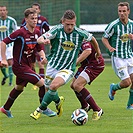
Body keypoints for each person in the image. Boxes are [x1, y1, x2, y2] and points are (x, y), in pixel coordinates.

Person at [30, 9, 102, 120]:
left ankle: (39, 110)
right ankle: (58, 101)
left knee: (54, 86)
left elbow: (92, 38)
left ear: (75, 22)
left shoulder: (79, 33)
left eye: (72, 24)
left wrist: (98, 51)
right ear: (63, 21)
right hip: (53, 65)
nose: (69, 27)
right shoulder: (56, 30)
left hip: (68, 68)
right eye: (67, 24)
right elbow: (40, 38)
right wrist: (42, 41)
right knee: (49, 90)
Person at [0, 8, 56, 118]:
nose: (34, 21)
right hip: (20, 66)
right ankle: (43, 108)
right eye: (32, 19)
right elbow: (3, 42)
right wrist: (4, 59)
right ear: (26, 19)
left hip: (28, 66)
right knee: (43, 83)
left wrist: (43, 57)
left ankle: (5, 108)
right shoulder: (20, 32)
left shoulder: (37, 32)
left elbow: (39, 48)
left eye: (35, 18)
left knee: (19, 88)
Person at [102, 2, 133, 109]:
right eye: (120, 11)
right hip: (118, 57)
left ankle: (130, 104)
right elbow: (104, 38)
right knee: (126, 82)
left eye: (124, 11)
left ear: (128, 11)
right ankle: (114, 87)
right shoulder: (113, 25)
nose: (122, 13)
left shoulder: (132, 24)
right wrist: (109, 47)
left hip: (129, 56)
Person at [70, 40, 104, 120]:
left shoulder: (81, 36)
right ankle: (85, 106)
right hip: (85, 65)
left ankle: (97, 109)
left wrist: (76, 62)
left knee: (77, 85)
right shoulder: (68, 38)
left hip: (95, 65)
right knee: (73, 85)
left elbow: (88, 51)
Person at [21, 3, 50, 89]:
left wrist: (46, 40)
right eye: (33, 9)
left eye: (36, 9)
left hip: (39, 44)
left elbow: (48, 31)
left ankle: (42, 82)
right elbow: (22, 31)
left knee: (41, 63)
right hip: (29, 45)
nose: (35, 11)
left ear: (39, 10)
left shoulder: (43, 19)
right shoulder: (25, 21)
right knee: (32, 65)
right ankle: (36, 81)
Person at [0, 5, 18, 86]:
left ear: (6, 11)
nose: (2, 12)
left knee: (10, 62)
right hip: (0, 45)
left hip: (10, 45)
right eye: (1, 10)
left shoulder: (11, 21)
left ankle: (10, 83)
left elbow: (16, 32)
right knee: (1, 64)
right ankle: (6, 76)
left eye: (4, 10)